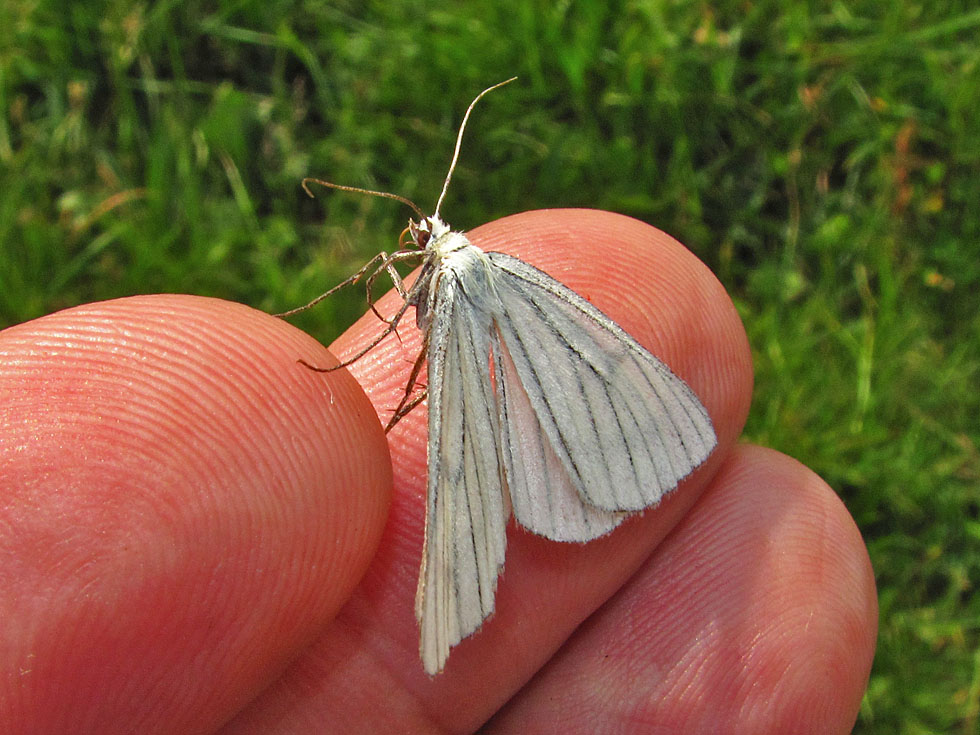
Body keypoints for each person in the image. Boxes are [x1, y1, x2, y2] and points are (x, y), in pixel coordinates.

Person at [0, 210, 877, 733]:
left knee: (456, 436)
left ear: (432, 240)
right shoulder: (472, 269)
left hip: (500, 360)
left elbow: (415, 322)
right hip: (499, 354)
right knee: (455, 449)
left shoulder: (472, 272)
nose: (418, 244)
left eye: (423, 237)